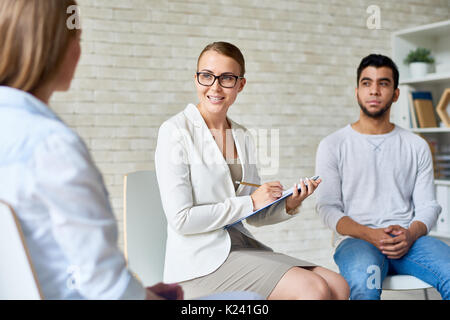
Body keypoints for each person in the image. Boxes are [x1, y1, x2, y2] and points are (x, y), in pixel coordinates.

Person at [0, 0, 182, 300]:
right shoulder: (52, 146)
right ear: (55, 47)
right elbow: (108, 290)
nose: (80, 51)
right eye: (77, 38)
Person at [155, 41, 350, 300]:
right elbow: (181, 219)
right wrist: (250, 201)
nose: (215, 86)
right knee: (313, 289)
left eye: (226, 78)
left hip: (240, 250)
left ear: (240, 85)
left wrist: (289, 202)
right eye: (207, 76)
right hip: (198, 265)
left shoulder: (242, 135)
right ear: (196, 79)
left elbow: (254, 215)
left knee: (338, 285)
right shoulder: (175, 132)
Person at [315, 53, 450, 300]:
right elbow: (327, 208)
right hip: (358, 241)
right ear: (357, 92)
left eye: (383, 83)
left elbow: (428, 205)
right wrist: (370, 233)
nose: (374, 91)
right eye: (367, 83)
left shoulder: (416, 145)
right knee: (363, 284)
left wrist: (410, 233)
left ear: (396, 94)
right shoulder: (333, 145)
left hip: (410, 240)